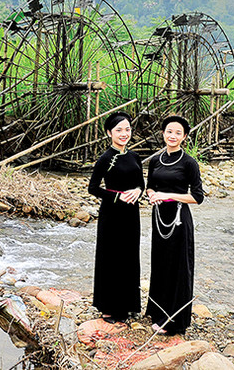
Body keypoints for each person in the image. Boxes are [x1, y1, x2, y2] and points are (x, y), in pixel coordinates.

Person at [145, 115, 204, 335]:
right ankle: (158, 312)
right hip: (159, 217)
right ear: (163, 134)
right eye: (169, 131)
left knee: (179, 267)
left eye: (178, 133)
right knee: (160, 263)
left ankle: (175, 322)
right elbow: (150, 186)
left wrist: (169, 195)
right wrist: (153, 195)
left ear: (185, 137)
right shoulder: (156, 160)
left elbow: (198, 197)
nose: (173, 136)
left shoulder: (189, 163)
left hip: (179, 220)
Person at [88, 111, 145, 323]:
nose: (124, 133)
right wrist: (117, 197)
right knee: (111, 257)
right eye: (119, 130)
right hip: (112, 214)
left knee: (129, 256)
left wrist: (138, 192)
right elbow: (93, 188)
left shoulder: (135, 157)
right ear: (109, 133)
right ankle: (108, 308)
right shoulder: (105, 158)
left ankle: (129, 305)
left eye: (127, 129)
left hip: (131, 213)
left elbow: (141, 183)